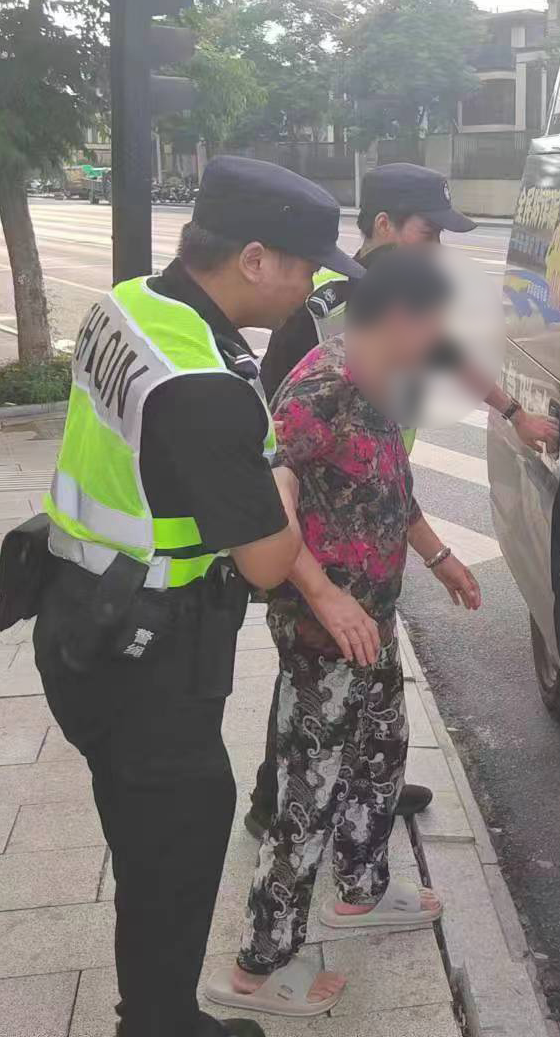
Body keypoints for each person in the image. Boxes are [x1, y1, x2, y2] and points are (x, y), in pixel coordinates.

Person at [33, 156, 364, 1037]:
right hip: (149, 654)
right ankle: (156, 1023)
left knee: (146, 840)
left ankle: (152, 1010)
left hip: (79, 614)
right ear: (253, 259)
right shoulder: (205, 385)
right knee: (177, 844)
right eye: (305, 266)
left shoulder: (132, 304)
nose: (311, 287)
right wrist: (279, 476)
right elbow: (267, 562)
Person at [206, 249, 481, 1020]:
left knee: (383, 751)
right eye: (434, 325)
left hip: (371, 621)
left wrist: (441, 557)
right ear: (398, 318)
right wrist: (325, 597)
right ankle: (258, 967)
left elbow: (392, 489)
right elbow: (262, 503)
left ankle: (360, 890)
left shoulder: (381, 381)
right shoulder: (317, 392)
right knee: (310, 793)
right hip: (324, 631)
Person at [246, 162, 556, 838]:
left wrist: (514, 414)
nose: (436, 248)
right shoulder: (320, 308)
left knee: (365, 668)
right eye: (428, 232)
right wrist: (309, 577)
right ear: (384, 224)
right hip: (316, 538)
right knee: (313, 673)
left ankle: (365, 782)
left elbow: (448, 354)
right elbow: (271, 446)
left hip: (378, 507)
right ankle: (279, 799)